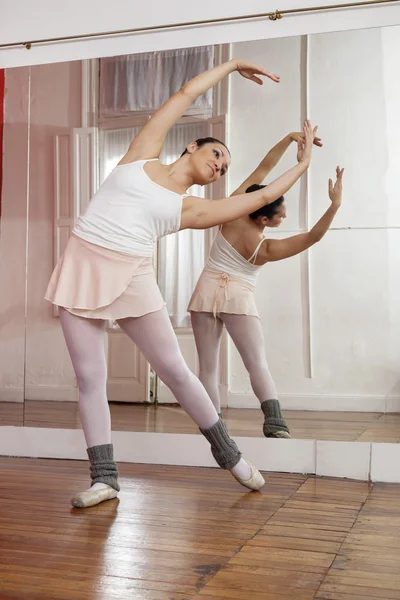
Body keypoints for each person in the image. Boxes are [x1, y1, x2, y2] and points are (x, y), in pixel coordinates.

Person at [45, 57, 314, 508]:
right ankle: (105, 479)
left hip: (132, 275)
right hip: (82, 264)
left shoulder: (191, 209)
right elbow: (187, 92)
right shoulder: (139, 156)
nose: (219, 166)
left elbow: (263, 196)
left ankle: (230, 456)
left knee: (174, 371)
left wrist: (302, 166)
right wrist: (232, 66)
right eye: (216, 155)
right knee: (90, 379)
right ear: (192, 147)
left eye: (225, 167)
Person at [189, 136, 343, 438]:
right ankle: (275, 423)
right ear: (263, 219)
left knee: (207, 369)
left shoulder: (231, 209)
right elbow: (312, 236)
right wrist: (335, 204)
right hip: (237, 300)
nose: (284, 217)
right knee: (256, 363)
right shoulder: (264, 248)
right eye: (281, 215)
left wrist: (288, 139)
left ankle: (213, 429)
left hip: (204, 294)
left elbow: (264, 168)